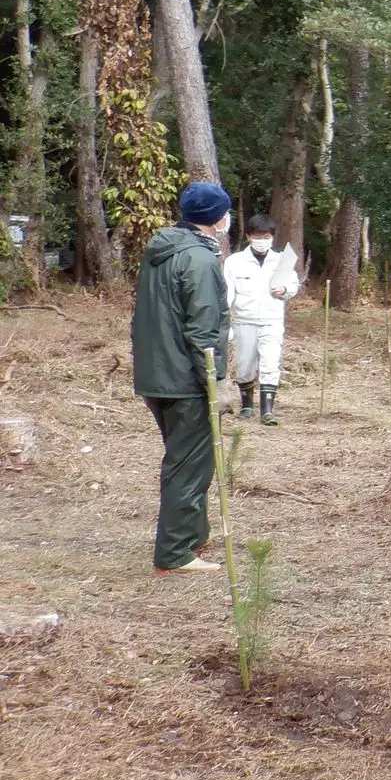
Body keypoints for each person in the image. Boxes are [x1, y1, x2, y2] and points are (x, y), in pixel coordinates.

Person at [134, 181, 234, 574]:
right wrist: (216, 380)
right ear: (217, 218)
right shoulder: (198, 259)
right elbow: (204, 328)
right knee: (187, 464)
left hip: (156, 372)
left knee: (187, 459)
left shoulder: (161, 250)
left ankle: (191, 533)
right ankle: (175, 553)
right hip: (184, 378)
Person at [224, 213, 300, 425]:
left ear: (272, 237)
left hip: (272, 320)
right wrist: (225, 322)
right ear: (248, 236)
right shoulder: (235, 262)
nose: (262, 240)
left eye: (266, 236)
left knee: (270, 363)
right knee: (245, 364)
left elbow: (293, 286)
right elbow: (228, 294)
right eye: (258, 236)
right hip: (244, 320)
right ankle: (247, 404)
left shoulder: (281, 261)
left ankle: (267, 410)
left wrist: (284, 289)